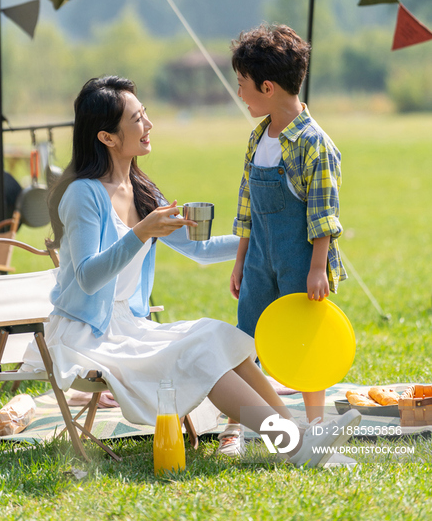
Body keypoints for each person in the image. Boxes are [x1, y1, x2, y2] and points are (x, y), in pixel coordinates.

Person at [22, 75, 359, 468]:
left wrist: (272, 239)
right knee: (200, 355)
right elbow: (86, 277)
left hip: (127, 327)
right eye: (136, 120)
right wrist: (140, 233)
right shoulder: (82, 194)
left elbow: (198, 249)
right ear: (107, 137)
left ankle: (297, 440)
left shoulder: (141, 188)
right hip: (86, 335)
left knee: (216, 333)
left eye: (145, 114)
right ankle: (291, 446)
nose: (148, 126)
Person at [220, 24, 349, 457]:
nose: (241, 94)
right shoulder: (258, 137)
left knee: (305, 343)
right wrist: (240, 261)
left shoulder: (315, 144)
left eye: (243, 85)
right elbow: (246, 209)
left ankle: (315, 427)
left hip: (300, 261)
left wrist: (317, 269)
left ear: (268, 87)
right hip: (259, 260)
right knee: (242, 342)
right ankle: (235, 429)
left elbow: (324, 214)